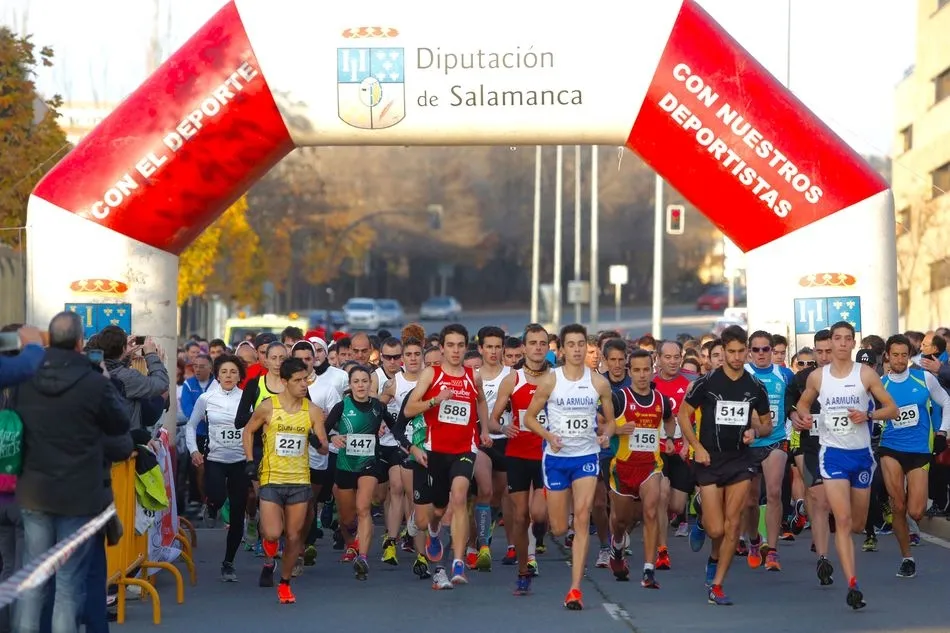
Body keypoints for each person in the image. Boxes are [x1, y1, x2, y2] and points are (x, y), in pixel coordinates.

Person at [13, 311, 132, 633]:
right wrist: (106, 380)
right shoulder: (94, 382)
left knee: (34, 579)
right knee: (68, 584)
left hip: (35, 491)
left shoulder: (25, 379)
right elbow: (121, 424)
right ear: (81, 343)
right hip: (79, 495)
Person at [795, 321, 898, 610]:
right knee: (840, 520)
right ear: (832, 341)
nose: (841, 343)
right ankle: (853, 584)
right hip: (833, 455)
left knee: (855, 524)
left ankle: (849, 561)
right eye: (836, 339)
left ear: (854, 343)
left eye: (846, 339)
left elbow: (893, 408)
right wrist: (802, 416)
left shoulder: (864, 374)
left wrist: (868, 416)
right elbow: (803, 404)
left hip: (862, 456)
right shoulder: (818, 376)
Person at [676, 325, 772, 606]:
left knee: (732, 526)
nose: (738, 357)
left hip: (740, 460)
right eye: (732, 352)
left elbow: (767, 424)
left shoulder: (755, 387)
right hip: (710, 459)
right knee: (715, 529)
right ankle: (702, 514)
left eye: (742, 351)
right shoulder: (707, 382)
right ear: (724, 351)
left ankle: (717, 583)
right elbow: (683, 415)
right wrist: (697, 447)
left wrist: (755, 432)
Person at [523, 323, 615, 611]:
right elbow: (529, 418)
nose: (576, 349)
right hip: (556, 459)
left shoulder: (599, 382)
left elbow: (611, 421)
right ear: (561, 350)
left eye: (580, 344)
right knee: (560, 528)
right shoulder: (551, 381)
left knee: (583, 517)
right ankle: (554, 501)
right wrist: (549, 436)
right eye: (571, 345)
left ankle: (575, 589)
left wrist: (606, 435)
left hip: (586, 456)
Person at [403, 324, 491, 590]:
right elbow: (409, 409)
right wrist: (435, 400)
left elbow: (481, 402)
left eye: (460, 345)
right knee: (438, 510)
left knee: (461, 496)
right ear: (441, 348)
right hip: (436, 451)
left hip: (465, 449)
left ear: (466, 347)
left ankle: (458, 562)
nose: (455, 350)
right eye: (450, 345)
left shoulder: (473, 377)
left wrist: (484, 429)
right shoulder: (432, 373)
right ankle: (433, 532)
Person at [242, 358, 329, 604]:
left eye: (306, 380)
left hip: (300, 481)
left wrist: (318, 443)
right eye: (298, 380)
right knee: (271, 533)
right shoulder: (268, 407)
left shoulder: (313, 411)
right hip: (271, 479)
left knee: (293, 537)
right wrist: (250, 461)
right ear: (284, 382)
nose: (303, 385)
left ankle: (285, 583)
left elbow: (324, 447)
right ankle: (269, 559)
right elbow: (248, 430)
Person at [879, 334, 950, 578]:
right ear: (887, 355)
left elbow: (947, 402)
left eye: (904, 355)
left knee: (916, 511)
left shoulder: (924, 378)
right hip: (890, 448)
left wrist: (942, 431)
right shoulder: (880, 384)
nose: (900, 360)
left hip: (919, 449)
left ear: (910, 356)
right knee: (898, 505)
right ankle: (906, 557)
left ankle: (904, 500)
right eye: (895, 355)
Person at [607, 349, 676, 588]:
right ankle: (617, 547)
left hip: (650, 467)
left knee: (650, 512)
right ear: (629, 371)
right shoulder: (619, 398)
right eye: (636, 370)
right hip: (623, 468)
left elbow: (669, 419)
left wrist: (668, 438)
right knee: (621, 521)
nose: (642, 375)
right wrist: (616, 430)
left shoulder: (661, 400)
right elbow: (600, 423)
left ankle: (648, 570)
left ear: (652, 369)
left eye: (646, 369)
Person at [326, 365, 397, 580]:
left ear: (370, 383)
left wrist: (409, 443)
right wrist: (332, 438)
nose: (360, 385)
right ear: (350, 385)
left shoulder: (378, 407)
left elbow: (397, 428)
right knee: (348, 518)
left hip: (369, 463)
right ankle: (352, 535)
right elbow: (323, 428)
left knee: (363, 507)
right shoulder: (341, 406)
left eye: (364, 381)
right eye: (356, 381)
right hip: (345, 465)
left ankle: (363, 557)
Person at [186, 354, 248, 581]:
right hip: (215, 460)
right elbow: (191, 426)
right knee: (218, 496)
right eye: (224, 372)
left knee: (238, 512)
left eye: (233, 372)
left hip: (241, 461)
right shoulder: (206, 398)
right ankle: (212, 506)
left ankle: (228, 562)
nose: (229, 376)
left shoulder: (247, 399)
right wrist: (194, 451)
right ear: (217, 375)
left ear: (240, 375)